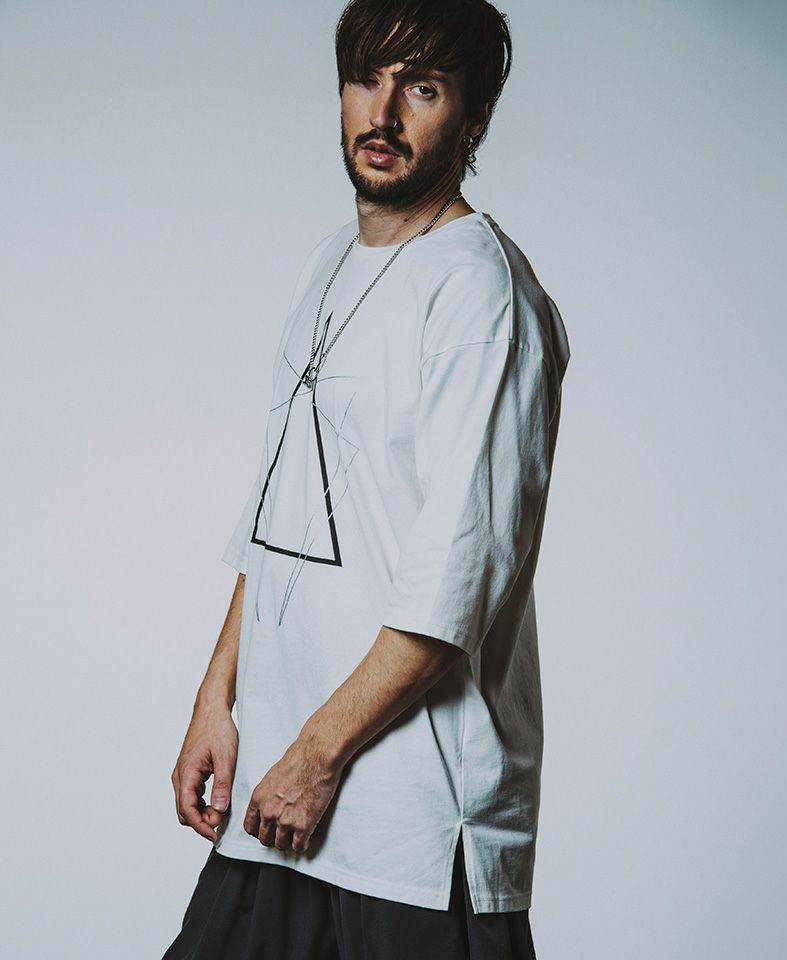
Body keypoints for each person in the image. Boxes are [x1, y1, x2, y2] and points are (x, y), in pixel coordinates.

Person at [160, 0, 570, 957]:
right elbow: (283, 514)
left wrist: (313, 756)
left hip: (410, 832)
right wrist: (218, 698)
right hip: (282, 801)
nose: (382, 115)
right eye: (366, 80)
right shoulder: (329, 264)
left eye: (421, 88)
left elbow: (453, 585)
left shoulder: (481, 295)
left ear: (473, 117)